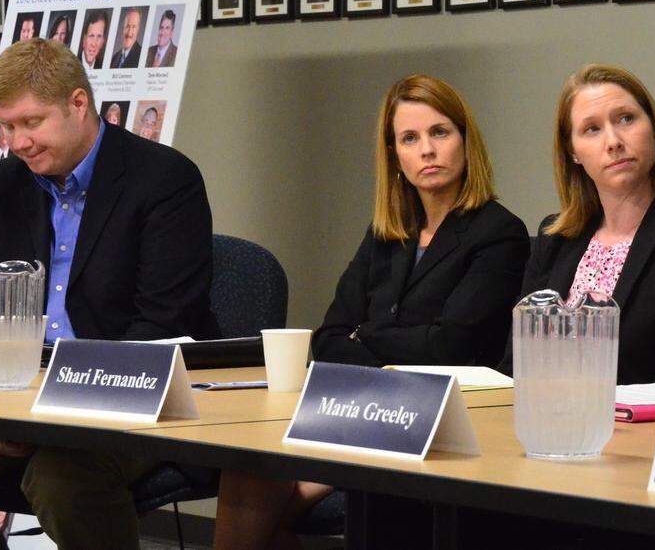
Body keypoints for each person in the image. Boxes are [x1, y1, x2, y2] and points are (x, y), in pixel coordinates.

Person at [213, 75, 529, 550]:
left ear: (466, 141)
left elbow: (450, 347)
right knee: (250, 466)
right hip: (359, 407)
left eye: (440, 133)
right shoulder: (388, 231)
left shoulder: (498, 233)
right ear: (394, 156)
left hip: (438, 418)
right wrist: (382, 341)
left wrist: (368, 337)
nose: (427, 150)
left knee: (269, 495)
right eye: (410, 138)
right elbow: (330, 336)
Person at [0, 38, 218, 550]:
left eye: (32, 123)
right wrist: (2, 412)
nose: (18, 142)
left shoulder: (165, 179)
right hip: (22, 396)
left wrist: (54, 409)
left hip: (131, 395)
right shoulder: (2, 185)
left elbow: (162, 324)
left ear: (79, 105)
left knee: (61, 480)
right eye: (7, 127)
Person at [498, 64, 655, 384]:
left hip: (639, 427)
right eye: (592, 129)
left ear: (654, 129)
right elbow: (514, 364)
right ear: (572, 151)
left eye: (626, 119)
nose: (614, 141)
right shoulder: (554, 238)